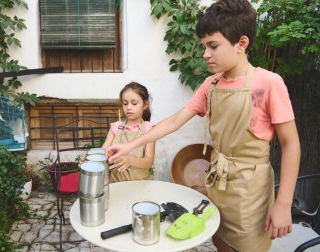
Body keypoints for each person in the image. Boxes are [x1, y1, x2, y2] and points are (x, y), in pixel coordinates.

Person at [106, 0, 301, 251]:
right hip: (216, 185)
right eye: (204, 46)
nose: (205, 54)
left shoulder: (269, 84)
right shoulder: (211, 85)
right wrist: (130, 145)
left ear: (241, 43)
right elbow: (175, 121)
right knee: (220, 243)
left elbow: (291, 143)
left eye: (213, 46)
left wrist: (283, 204)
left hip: (251, 194)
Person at [102, 82, 155, 183]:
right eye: (125, 103)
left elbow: (148, 161)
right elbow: (103, 151)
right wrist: (90, 158)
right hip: (116, 182)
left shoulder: (149, 129)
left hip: (140, 184)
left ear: (145, 105)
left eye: (134, 103)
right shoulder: (116, 127)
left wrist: (130, 160)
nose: (129, 107)